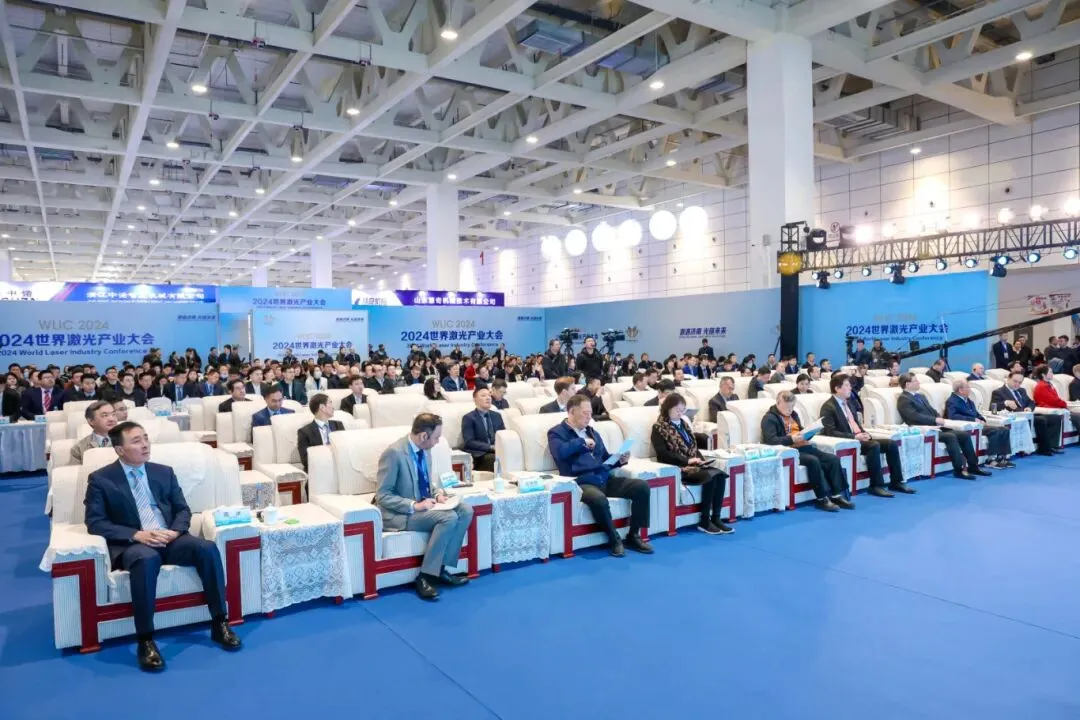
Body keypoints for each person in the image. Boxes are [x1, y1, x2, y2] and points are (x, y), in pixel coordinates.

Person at [84, 421, 241, 671]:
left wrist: (174, 532)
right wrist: (137, 535)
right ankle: (145, 639)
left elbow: (183, 509)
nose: (145, 445)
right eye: (136, 441)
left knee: (207, 548)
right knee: (147, 559)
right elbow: (95, 522)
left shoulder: (163, 472)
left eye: (146, 438)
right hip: (135, 544)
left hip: (170, 538)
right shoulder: (102, 479)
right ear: (120, 449)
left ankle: (220, 622)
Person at [374, 413, 473, 600]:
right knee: (449, 517)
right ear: (424, 436)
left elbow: (425, 483)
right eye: (436, 437)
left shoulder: (425, 450)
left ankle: (441, 569)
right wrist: (414, 505)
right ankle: (426, 576)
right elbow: (382, 495)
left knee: (466, 510)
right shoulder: (394, 453)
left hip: (426, 506)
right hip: (401, 514)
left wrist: (437, 495)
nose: (438, 442)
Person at [547, 394, 652, 557]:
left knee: (641, 487)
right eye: (585, 413)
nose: (589, 417)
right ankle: (615, 540)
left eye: (590, 413)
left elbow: (604, 458)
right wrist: (581, 442)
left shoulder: (592, 432)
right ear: (572, 411)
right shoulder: (556, 432)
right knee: (598, 499)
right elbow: (560, 452)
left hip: (603, 477)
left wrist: (619, 460)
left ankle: (634, 535)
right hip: (581, 482)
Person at [651, 393, 732, 534]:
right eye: (677, 410)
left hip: (694, 465)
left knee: (720, 475)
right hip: (678, 467)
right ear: (668, 408)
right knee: (710, 476)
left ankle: (716, 518)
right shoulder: (659, 427)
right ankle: (704, 521)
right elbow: (663, 454)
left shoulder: (683, 424)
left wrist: (700, 459)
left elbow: (693, 447)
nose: (680, 413)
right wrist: (687, 461)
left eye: (682, 410)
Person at [821, 374, 915, 496]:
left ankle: (896, 482)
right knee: (873, 445)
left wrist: (864, 433)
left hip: (859, 438)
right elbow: (830, 432)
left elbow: (855, 423)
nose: (850, 388)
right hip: (849, 442)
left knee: (891, 444)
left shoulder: (849, 403)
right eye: (847, 385)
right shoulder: (828, 407)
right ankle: (876, 485)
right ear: (837, 389)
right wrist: (855, 437)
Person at [762, 391, 853, 512]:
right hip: (791, 451)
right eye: (787, 407)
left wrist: (810, 432)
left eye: (792, 407)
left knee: (833, 459)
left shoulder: (793, 414)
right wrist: (791, 439)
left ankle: (836, 495)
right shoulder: (769, 418)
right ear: (778, 403)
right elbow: (771, 440)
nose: (790, 410)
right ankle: (822, 498)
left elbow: (800, 431)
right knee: (813, 461)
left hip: (805, 446)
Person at [896, 373, 988, 479]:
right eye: (915, 381)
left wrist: (938, 417)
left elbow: (932, 410)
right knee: (950, 436)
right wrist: (934, 420)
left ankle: (973, 466)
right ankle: (958, 470)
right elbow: (914, 416)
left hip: (935, 427)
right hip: (923, 429)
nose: (918, 382)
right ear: (907, 384)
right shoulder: (903, 399)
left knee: (964, 435)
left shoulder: (921, 396)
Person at [944, 379, 1015, 469]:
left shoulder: (968, 400)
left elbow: (976, 413)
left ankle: (1002, 457)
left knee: (1004, 429)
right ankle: (990, 460)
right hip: (968, 427)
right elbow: (952, 416)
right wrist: (973, 419)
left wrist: (982, 419)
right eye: (968, 387)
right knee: (994, 430)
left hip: (978, 425)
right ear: (960, 390)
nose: (970, 389)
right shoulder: (952, 401)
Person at [991, 371, 1063, 456]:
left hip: (1027, 415)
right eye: (1015, 381)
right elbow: (992, 409)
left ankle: (1053, 446)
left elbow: (1031, 402)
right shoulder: (998, 392)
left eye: (1020, 382)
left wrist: (1029, 408)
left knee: (1056, 418)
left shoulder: (1021, 390)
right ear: (1008, 379)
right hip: (1017, 417)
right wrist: (1005, 403)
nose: (1017, 384)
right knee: (1041, 420)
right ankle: (1045, 449)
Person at [296, 394, 344, 471]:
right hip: (319, 470)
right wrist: (326, 450)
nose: (333, 407)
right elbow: (306, 460)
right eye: (330, 403)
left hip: (340, 467)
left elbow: (345, 448)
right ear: (322, 407)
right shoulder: (304, 432)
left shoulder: (338, 425)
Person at [1031, 364, 1080, 438]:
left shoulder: (1048, 384)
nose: (1052, 374)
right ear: (1043, 374)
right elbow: (1053, 401)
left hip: (1057, 408)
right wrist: (1065, 404)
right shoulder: (1041, 386)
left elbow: (1055, 400)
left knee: (1076, 415)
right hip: (1051, 410)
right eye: (1050, 372)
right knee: (1077, 416)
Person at [462, 388, 504, 472]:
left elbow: (503, 435)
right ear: (475, 400)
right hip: (480, 454)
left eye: (489, 395)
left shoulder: (497, 416)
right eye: (483, 396)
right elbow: (469, 442)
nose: (488, 398)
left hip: (497, 451)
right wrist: (490, 447)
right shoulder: (468, 418)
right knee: (497, 459)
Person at [70, 400, 119, 464]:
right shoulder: (78, 448)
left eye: (113, 414)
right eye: (105, 415)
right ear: (91, 421)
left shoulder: (127, 440)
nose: (111, 419)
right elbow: (75, 469)